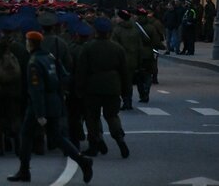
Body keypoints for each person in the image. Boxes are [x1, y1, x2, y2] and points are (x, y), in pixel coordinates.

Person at [7, 31, 92, 184]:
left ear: (31, 43)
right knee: (57, 137)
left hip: (39, 104)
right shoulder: (50, 57)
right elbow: (65, 75)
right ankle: (82, 160)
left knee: (26, 135)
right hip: (54, 100)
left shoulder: (34, 62)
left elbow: (36, 89)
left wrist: (40, 113)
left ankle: (24, 170)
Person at [76, 17, 129, 160]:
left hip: (92, 87)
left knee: (92, 117)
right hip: (113, 86)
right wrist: (125, 91)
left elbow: (82, 70)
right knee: (112, 116)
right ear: (109, 32)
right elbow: (124, 71)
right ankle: (119, 138)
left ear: (96, 32)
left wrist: (79, 88)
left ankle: (96, 142)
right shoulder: (117, 48)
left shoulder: (88, 47)